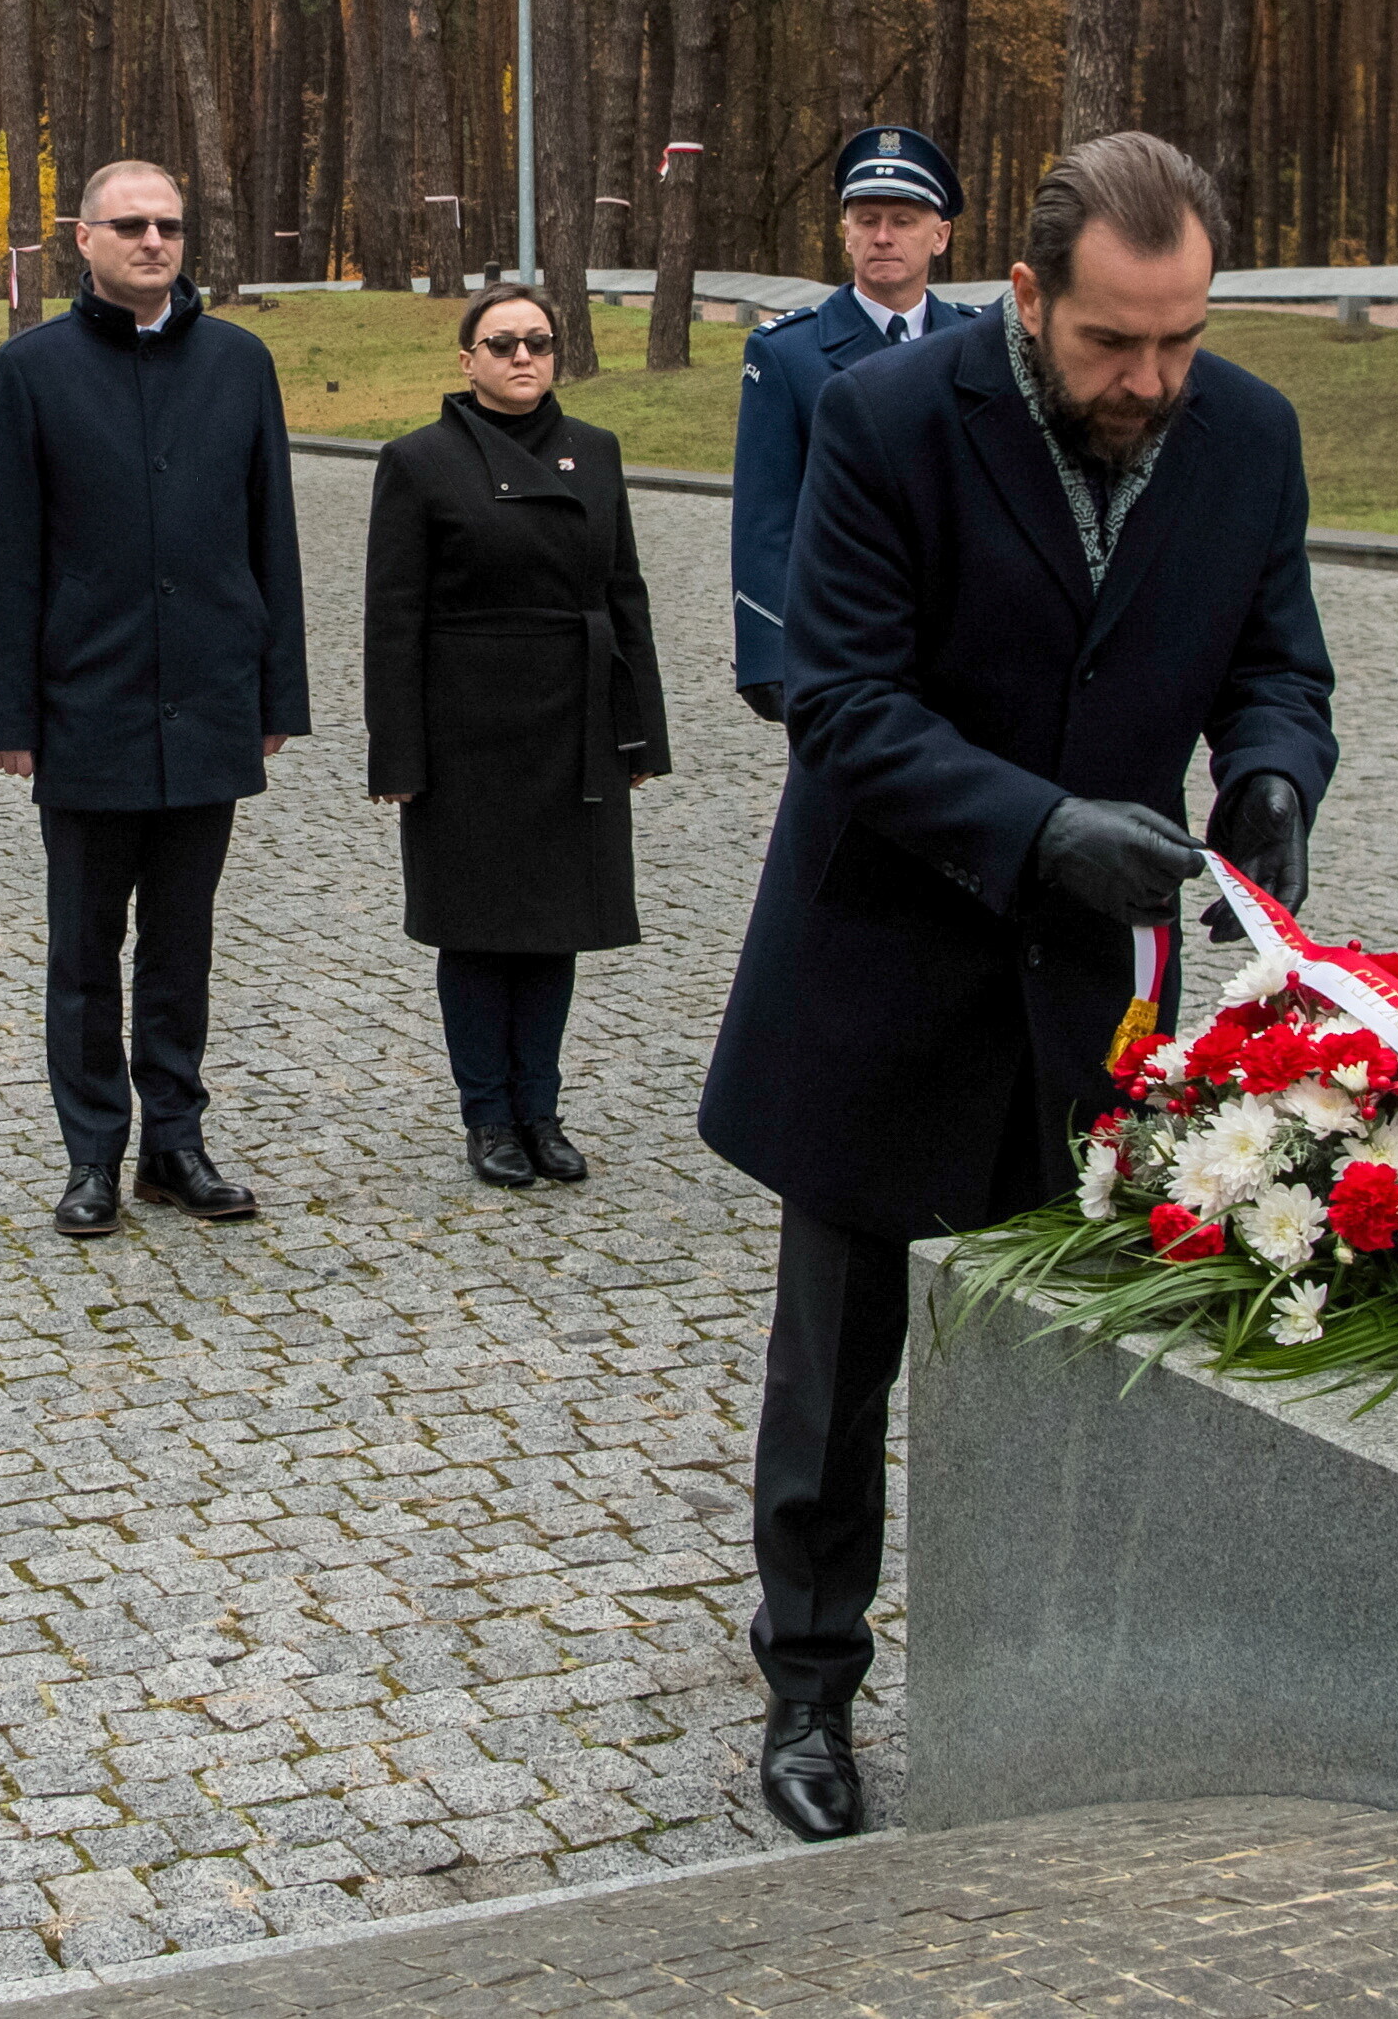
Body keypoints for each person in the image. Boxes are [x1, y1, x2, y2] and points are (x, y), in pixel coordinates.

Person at [696, 131, 1334, 1844]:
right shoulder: (887, 423)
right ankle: (809, 1686)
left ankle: (1062, 1669)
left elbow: (1275, 655)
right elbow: (839, 703)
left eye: (1180, 341)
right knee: (835, 1369)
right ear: (1026, 294)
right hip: (879, 959)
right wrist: (1039, 828)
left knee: (1086, 1343)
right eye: (1111, 344)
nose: (1149, 381)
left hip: (1091, 999)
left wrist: (1270, 779)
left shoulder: (1247, 435)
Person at [0, 159, 310, 1240]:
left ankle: (175, 1142)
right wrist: (9, 718)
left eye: (168, 225)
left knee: (182, 945)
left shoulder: (239, 364)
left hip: (208, 699)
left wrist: (275, 691)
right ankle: (91, 1155)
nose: (153, 241)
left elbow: (273, 540)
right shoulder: (30, 372)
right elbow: (3, 557)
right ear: (84, 238)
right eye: (131, 225)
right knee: (84, 951)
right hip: (89, 704)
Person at [364, 284, 672, 1189]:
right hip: (468, 729)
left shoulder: (598, 452)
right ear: (467, 360)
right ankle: (488, 1116)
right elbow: (392, 620)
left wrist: (639, 731)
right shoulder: (418, 462)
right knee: (477, 928)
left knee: (554, 925)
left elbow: (626, 595)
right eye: (501, 343)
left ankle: (541, 1107)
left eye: (538, 340)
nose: (523, 357)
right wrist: (399, 752)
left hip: (574, 721)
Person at [729, 124, 971, 721]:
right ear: (845, 233)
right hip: (843, 648)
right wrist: (770, 654)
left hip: (963, 646)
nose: (882, 236)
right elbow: (765, 517)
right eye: (866, 219)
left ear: (939, 236)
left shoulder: (979, 344)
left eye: (903, 220)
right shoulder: (788, 354)